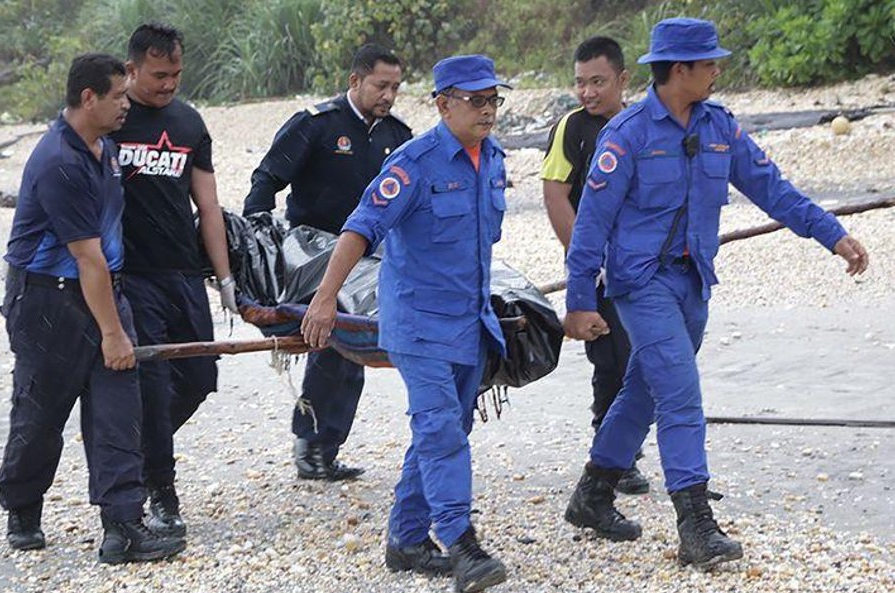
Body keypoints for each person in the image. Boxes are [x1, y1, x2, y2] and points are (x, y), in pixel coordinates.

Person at [563, 18, 869, 569]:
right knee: (681, 393)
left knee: (645, 391)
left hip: (693, 280)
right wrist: (580, 301)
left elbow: (773, 190)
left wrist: (833, 235)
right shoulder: (626, 135)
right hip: (641, 283)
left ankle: (593, 492)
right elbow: (590, 225)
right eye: (708, 63)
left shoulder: (720, 127)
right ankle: (696, 524)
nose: (717, 71)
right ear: (679, 70)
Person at [301, 54, 511, 593]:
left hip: (470, 320)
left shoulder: (494, 160)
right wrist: (325, 299)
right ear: (443, 105)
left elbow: (482, 248)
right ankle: (461, 542)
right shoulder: (413, 164)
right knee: (440, 429)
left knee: (447, 429)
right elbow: (359, 229)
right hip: (418, 323)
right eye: (474, 101)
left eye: (493, 100)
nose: (486, 111)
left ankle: (406, 540)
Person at [0, 53, 184, 563]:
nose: (128, 104)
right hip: (47, 298)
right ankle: (23, 508)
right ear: (88, 98)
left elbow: (104, 257)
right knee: (42, 411)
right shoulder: (59, 161)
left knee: (118, 410)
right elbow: (85, 257)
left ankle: (122, 526)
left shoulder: (105, 149)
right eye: (119, 96)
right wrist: (113, 333)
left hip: (105, 287)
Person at [243, 44, 412, 481]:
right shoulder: (316, 125)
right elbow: (266, 181)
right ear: (355, 81)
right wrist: (255, 247)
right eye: (381, 85)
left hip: (370, 257)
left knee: (356, 347)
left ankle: (325, 447)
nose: (388, 95)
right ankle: (312, 445)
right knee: (337, 339)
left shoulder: (398, 136)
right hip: (314, 251)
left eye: (395, 87)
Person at [110, 23, 237, 539]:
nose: (169, 84)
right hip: (132, 275)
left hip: (182, 272)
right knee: (156, 383)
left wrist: (225, 278)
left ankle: (138, 453)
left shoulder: (188, 123)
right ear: (133, 68)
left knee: (201, 377)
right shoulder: (114, 119)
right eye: (159, 75)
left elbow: (207, 204)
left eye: (176, 74)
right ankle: (161, 488)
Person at [540, 37, 650, 497]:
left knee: (646, 358)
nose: (587, 92)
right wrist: (586, 262)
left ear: (623, 80)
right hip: (599, 271)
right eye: (581, 83)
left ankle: (626, 449)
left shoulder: (646, 124)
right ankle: (613, 456)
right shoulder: (571, 128)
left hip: (645, 268)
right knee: (610, 360)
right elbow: (554, 194)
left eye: (597, 82)